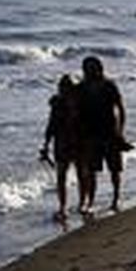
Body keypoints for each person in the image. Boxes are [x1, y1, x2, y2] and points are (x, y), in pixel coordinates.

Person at [77, 55, 128, 211]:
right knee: (91, 171)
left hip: (110, 133)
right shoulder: (81, 88)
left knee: (114, 169)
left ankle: (116, 197)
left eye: (93, 68)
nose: (90, 71)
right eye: (87, 68)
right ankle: (90, 201)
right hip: (90, 134)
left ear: (100, 68)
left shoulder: (109, 85)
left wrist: (120, 131)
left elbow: (120, 108)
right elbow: (73, 108)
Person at [39, 75, 88, 223]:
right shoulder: (56, 104)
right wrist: (46, 144)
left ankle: (83, 203)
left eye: (67, 87)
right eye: (62, 87)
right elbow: (51, 125)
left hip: (79, 142)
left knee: (81, 174)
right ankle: (62, 206)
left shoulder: (81, 104)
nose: (64, 90)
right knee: (61, 176)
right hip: (61, 143)